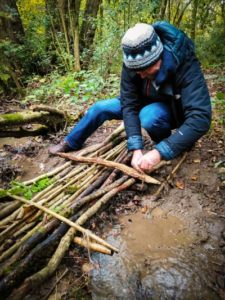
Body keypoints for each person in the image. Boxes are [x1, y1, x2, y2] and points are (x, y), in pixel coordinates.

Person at [49, 21, 211, 173]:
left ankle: (171, 142)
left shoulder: (185, 62)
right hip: (141, 101)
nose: (140, 75)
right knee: (100, 108)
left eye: (145, 70)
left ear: (158, 57)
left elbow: (200, 117)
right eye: (136, 71)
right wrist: (136, 147)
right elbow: (129, 104)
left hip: (168, 109)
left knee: (149, 116)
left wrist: (160, 152)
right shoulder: (133, 61)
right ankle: (70, 141)